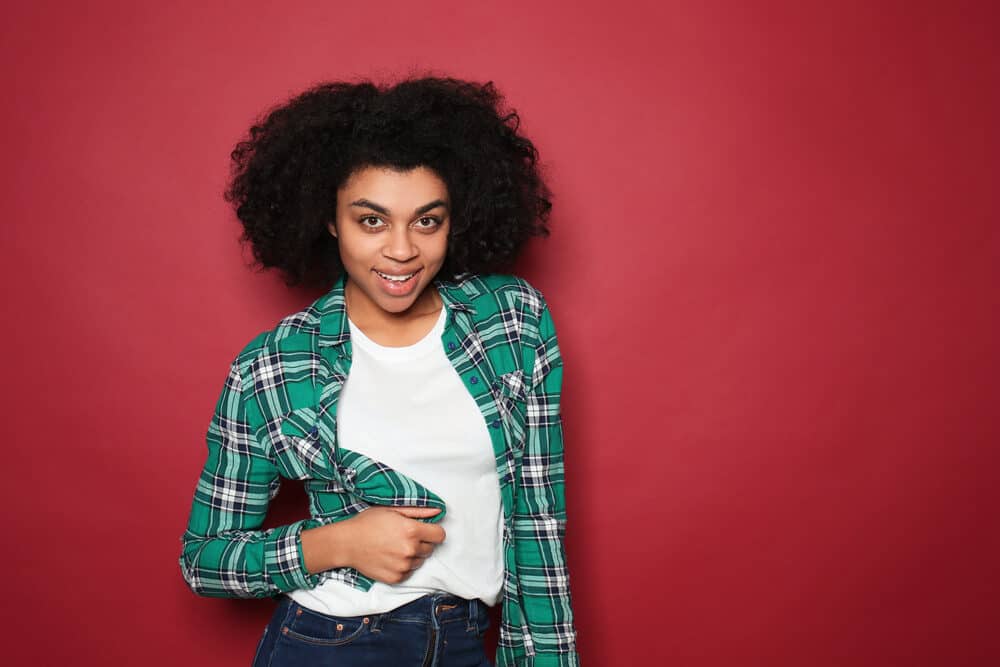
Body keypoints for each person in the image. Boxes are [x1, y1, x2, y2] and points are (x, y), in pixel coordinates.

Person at [179, 76, 579, 666]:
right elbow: (203, 559)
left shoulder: (511, 322)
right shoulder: (272, 367)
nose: (401, 250)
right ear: (330, 220)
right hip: (328, 643)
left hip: (464, 639)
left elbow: (539, 524)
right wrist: (337, 543)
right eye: (371, 221)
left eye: (426, 221)